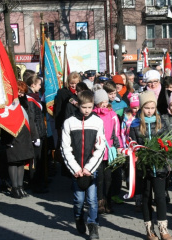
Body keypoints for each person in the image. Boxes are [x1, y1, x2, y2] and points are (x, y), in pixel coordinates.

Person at [61, 90, 106, 240]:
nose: (87, 110)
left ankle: (93, 225)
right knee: (79, 199)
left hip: (91, 168)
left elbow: (101, 147)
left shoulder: (97, 121)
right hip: (76, 170)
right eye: (84, 107)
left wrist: (89, 168)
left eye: (90, 107)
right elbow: (65, 148)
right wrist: (76, 168)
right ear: (78, 105)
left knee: (92, 200)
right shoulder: (69, 122)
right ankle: (78, 216)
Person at [129, 90, 172, 240]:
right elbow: (132, 143)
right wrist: (136, 155)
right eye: (146, 108)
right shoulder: (135, 124)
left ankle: (163, 229)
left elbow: (167, 141)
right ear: (141, 108)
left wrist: (165, 151)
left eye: (152, 108)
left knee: (160, 197)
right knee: (146, 197)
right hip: (144, 167)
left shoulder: (161, 122)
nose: (149, 111)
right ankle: (149, 230)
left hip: (159, 166)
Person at [2, 81, 35, 199]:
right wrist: (7, 141)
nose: (21, 94)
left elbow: (30, 119)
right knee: (13, 162)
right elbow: (5, 122)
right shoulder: (8, 103)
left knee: (21, 162)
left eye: (23, 92)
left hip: (24, 137)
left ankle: (20, 186)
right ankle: (14, 188)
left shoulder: (24, 102)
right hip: (12, 137)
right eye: (19, 92)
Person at [92, 89, 122, 214]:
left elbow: (117, 133)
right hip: (97, 150)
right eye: (101, 102)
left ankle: (108, 200)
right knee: (99, 178)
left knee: (109, 177)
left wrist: (118, 146)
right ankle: (100, 201)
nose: (104, 104)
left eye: (105, 101)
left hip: (109, 150)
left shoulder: (112, 114)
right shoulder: (93, 115)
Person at [25, 75, 48, 193]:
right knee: (35, 161)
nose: (40, 87)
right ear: (33, 85)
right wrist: (35, 136)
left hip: (40, 131)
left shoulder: (35, 96)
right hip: (36, 134)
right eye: (39, 84)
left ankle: (40, 181)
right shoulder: (29, 98)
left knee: (40, 160)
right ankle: (35, 184)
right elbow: (31, 118)